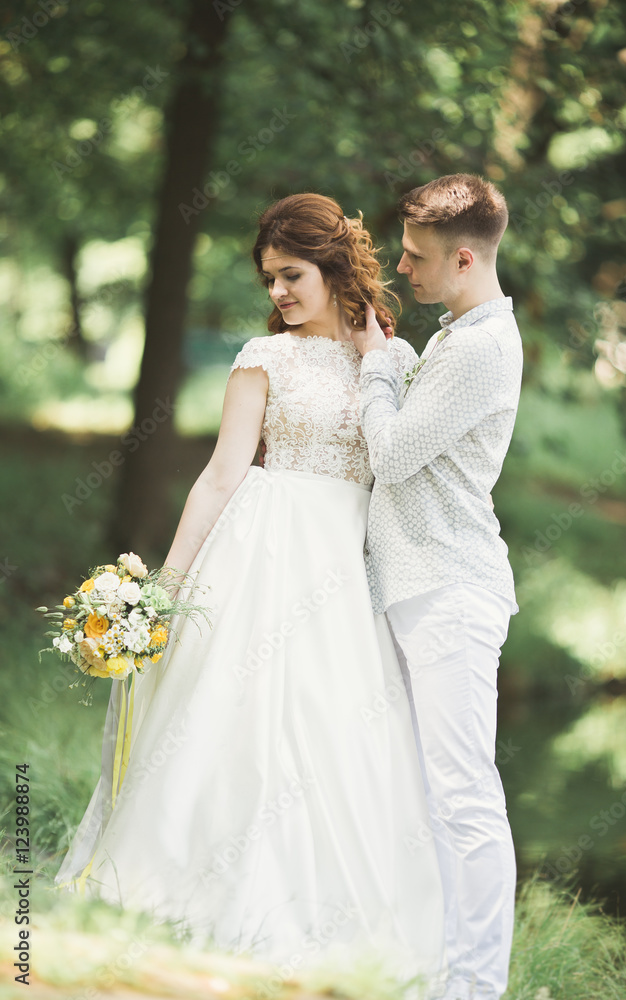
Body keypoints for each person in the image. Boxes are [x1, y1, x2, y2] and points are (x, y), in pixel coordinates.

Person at [55, 193, 446, 985]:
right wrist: (165, 585)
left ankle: (331, 912)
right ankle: (192, 888)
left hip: (345, 568)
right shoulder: (262, 358)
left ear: (333, 267)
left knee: (336, 724)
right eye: (269, 279)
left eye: (291, 274)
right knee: (233, 716)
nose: (278, 294)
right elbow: (220, 476)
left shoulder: (395, 362)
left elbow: (406, 474)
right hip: (260, 555)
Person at [351, 174, 523, 1000]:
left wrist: (379, 364)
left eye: (417, 258)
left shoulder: (483, 345)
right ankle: (430, 968)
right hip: (418, 585)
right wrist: (401, 358)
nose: (402, 269)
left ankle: (477, 987)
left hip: (451, 590)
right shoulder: (459, 333)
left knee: (462, 796)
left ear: (463, 256)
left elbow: (391, 454)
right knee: (423, 792)